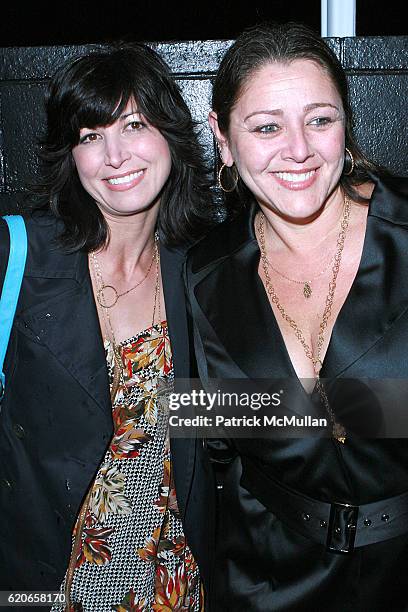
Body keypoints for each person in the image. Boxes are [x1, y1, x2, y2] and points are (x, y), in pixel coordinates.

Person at [185, 22, 408, 611]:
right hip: (267, 581)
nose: (299, 149)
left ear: (345, 125)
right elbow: (206, 435)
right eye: (266, 127)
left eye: (320, 119)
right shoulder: (203, 276)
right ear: (224, 140)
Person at [0, 43, 215, 610]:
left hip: (175, 586)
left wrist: (376, 409)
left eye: (134, 125)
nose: (114, 155)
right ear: (71, 155)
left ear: (171, 134)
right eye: (91, 135)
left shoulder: (198, 270)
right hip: (50, 589)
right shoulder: (17, 255)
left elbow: (233, 409)